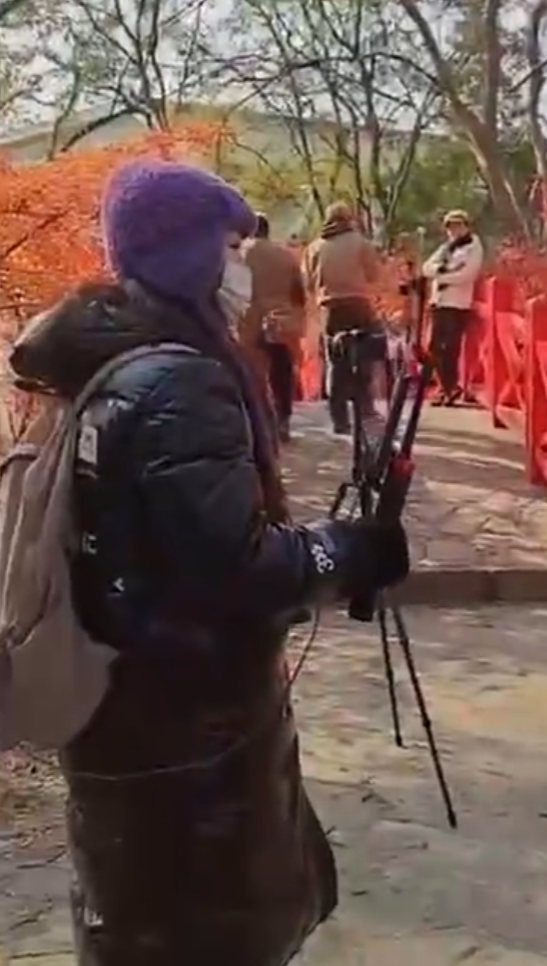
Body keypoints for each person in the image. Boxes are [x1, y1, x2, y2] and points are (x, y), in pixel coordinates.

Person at [8, 160, 410, 966]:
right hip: (191, 732)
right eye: (229, 246)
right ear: (188, 256)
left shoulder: (99, 362)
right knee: (204, 935)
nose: (241, 266)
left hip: (120, 706)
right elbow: (237, 570)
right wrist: (348, 548)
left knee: (136, 927)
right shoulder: (181, 383)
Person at [303, 201, 380, 434]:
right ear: (350, 219)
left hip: (330, 307)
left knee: (336, 362)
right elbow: (374, 275)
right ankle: (365, 410)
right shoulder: (362, 244)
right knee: (363, 357)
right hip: (359, 304)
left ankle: (339, 420)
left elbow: (307, 282)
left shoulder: (314, 247)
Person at [243, 213, 307, 442]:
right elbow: (299, 293)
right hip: (281, 321)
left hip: (248, 321)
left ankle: (257, 424)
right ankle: (283, 420)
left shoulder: (240, 254)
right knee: (281, 372)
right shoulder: (285, 256)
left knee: (252, 375)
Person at [422, 210, 484, 407]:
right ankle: (447, 387)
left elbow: (467, 275)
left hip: (456, 303)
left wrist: (441, 276)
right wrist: (440, 271)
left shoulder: (473, 247)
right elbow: (426, 267)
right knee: (433, 347)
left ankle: (449, 388)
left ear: (466, 226)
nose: (453, 230)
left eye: (457, 225)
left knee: (450, 347)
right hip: (439, 301)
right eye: (450, 226)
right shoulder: (446, 248)